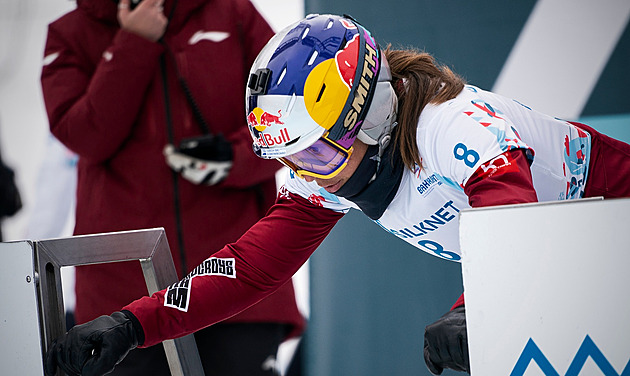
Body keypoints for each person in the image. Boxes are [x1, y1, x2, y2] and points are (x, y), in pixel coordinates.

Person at [45, 13, 630, 376]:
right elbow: (246, 269)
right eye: (291, 160)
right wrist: (129, 323)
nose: (313, 176)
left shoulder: (452, 123)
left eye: (318, 154)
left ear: (371, 113)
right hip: (571, 267)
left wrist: (471, 310)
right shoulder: (330, 161)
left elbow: (514, 220)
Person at [40, 0, 304, 375]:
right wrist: (133, 42)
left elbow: (297, 116)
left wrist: (236, 157)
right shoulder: (71, 34)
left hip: (239, 288)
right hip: (121, 300)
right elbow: (84, 137)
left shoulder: (233, 13)